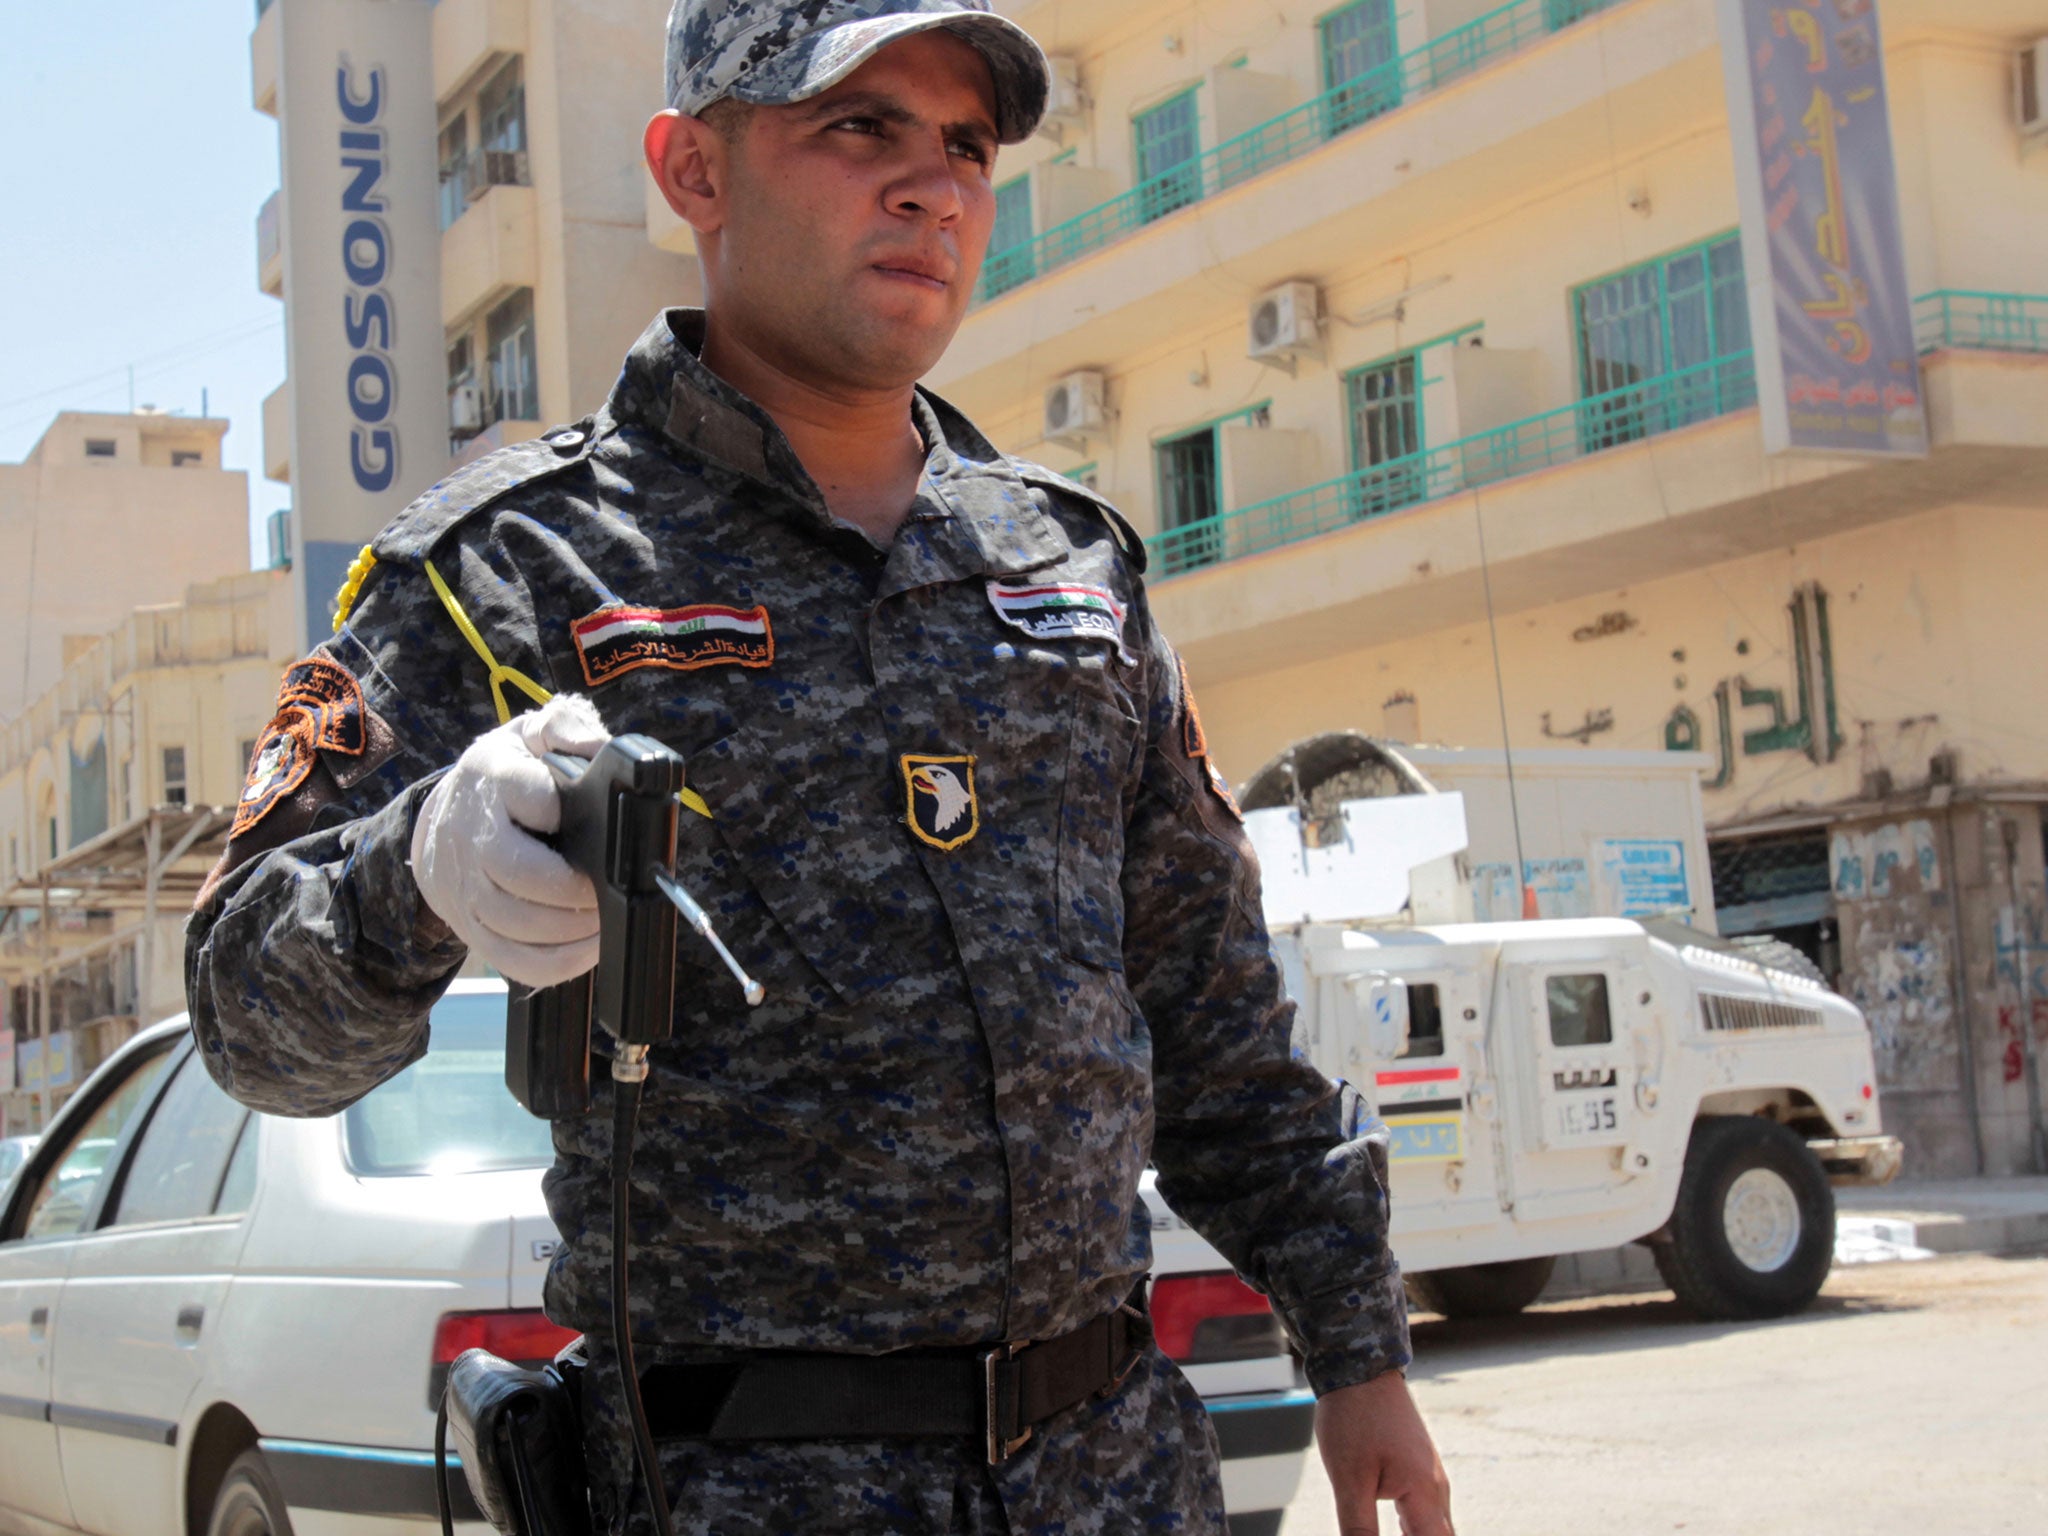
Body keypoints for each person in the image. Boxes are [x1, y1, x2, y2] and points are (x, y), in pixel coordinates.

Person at [186, 1, 1454, 1531]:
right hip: (748, 1486)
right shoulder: (514, 568)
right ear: (691, 170)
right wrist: (416, 876)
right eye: (859, 127)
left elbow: (1210, 1010)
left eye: (966, 146)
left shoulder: (1069, 566)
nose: (931, 187)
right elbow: (252, 1025)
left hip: (1111, 1474)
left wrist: (1357, 1347)